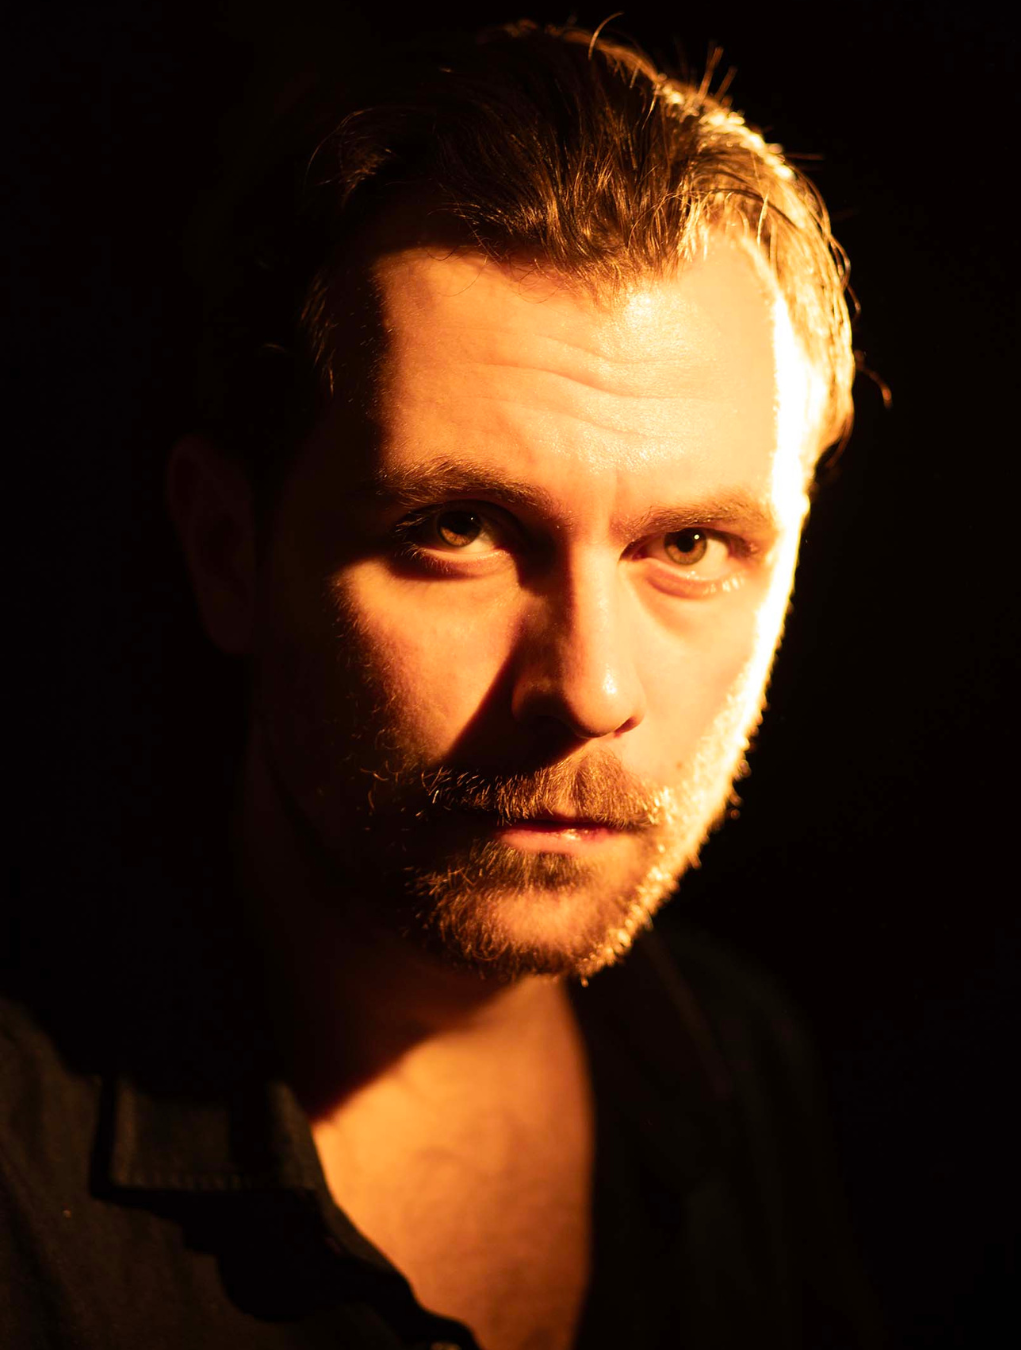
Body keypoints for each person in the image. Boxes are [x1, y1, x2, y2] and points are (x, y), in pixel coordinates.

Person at [1, 20, 884, 1350]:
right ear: (228, 550)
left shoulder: (745, 1070)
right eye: (459, 529)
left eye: (691, 545)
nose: (588, 687)